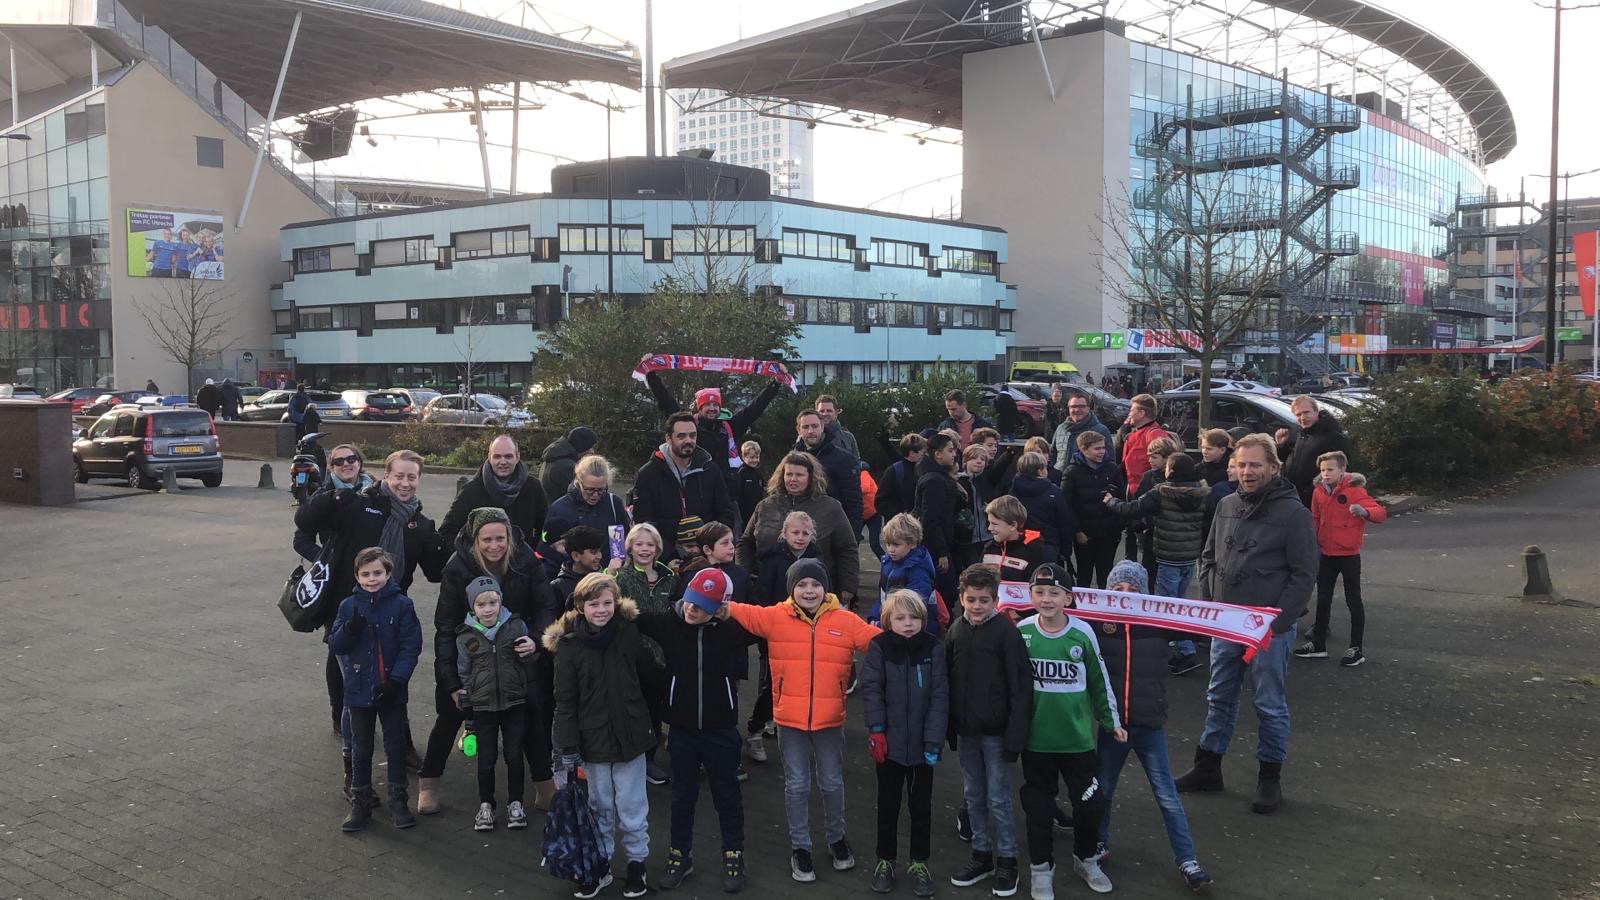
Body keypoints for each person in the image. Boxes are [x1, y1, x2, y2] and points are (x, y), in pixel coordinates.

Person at [1175, 434, 1318, 815]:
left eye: (1256, 465)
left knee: (1268, 703)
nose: (1248, 471)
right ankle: (1208, 767)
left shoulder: (1294, 514)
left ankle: (1269, 777)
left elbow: (1304, 575)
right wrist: (1211, 601)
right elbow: (1208, 556)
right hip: (1227, 621)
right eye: (1242, 464)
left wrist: (1277, 623)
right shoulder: (1225, 504)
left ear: (1274, 467)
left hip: (1266, 629)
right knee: (1218, 694)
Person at [723, 559, 880, 884]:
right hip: (789, 720)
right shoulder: (774, 617)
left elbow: (880, 642)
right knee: (796, 785)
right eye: (802, 585)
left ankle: (836, 838)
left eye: (815, 585)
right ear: (792, 589)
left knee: (832, 783)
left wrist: (911, 628)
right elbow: (735, 610)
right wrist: (698, 600)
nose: (809, 591)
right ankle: (801, 847)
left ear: (826, 588)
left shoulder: (845, 621)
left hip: (830, 720)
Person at [294, 450, 446, 765]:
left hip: (392, 608)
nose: (405, 483)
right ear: (386, 476)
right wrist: (332, 497)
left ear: (419, 479)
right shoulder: (359, 504)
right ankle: (342, 720)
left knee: (392, 673)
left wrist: (447, 544)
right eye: (399, 476)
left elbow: (435, 572)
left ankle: (402, 745)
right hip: (347, 601)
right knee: (343, 661)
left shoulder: (420, 523)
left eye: (411, 477)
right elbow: (305, 521)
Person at [422, 507, 560, 816]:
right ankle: (429, 782)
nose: (494, 546)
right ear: (475, 540)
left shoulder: (526, 560)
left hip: (517, 651)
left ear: (510, 537)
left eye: (500, 538)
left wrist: (537, 639)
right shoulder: (457, 567)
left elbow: (545, 605)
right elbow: (445, 625)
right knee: (448, 716)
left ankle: (545, 786)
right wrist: (451, 681)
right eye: (487, 539)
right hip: (470, 652)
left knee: (531, 720)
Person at [635, 568, 759, 893]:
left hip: (721, 729)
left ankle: (734, 854)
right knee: (682, 796)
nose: (692, 609)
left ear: (720, 607)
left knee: (727, 795)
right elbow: (624, 615)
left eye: (703, 606)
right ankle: (680, 854)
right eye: (691, 601)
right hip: (682, 730)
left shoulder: (732, 628)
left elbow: (773, 623)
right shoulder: (668, 622)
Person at [1094, 561, 1213, 890]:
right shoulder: (1098, 623)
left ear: (1145, 595)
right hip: (1112, 727)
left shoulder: (1159, 624)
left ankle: (1187, 859)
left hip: (1149, 726)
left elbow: (1201, 625)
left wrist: (1240, 622)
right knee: (1102, 790)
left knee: (1167, 796)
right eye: (1117, 590)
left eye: (1133, 591)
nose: (1125, 596)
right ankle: (1097, 843)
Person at [1014, 563, 1125, 898]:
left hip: (1077, 741)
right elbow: (1010, 686)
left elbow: (1098, 681)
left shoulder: (1082, 633)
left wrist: (1112, 721)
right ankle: (1041, 869)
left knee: (1089, 805)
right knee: (1039, 809)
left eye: (1054, 593)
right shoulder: (1022, 632)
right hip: (1036, 742)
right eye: (1039, 592)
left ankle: (1086, 859)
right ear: (1030, 595)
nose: (1046, 599)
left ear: (1069, 597)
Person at [546, 573, 657, 900]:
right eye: (594, 604)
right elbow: (564, 702)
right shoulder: (568, 648)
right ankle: (602, 863)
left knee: (633, 803)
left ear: (616, 602)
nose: (602, 610)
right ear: (580, 606)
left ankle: (637, 862)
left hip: (631, 734)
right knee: (600, 804)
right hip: (592, 739)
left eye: (608, 603)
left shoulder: (627, 633)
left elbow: (649, 670)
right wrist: (564, 747)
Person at [945, 564, 1030, 897]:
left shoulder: (1007, 634)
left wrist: (1015, 736)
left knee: (998, 799)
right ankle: (981, 855)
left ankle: (1007, 859)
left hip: (997, 733)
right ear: (962, 598)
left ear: (995, 599)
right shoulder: (955, 631)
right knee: (973, 795)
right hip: (967, 731)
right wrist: (951, 727)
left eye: (984, 600)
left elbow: (1021, 688)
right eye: (971, 599)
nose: (977, 606)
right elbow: (948, 681)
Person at [328, 547, 423, 832]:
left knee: (395, 746)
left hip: (391, 691)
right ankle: (361, 801)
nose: (372, 579)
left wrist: (397, 681)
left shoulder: (402, 605)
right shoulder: (348, 606)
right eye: (366, 574)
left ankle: (398, 801)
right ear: (357, 577)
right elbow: (335, 645)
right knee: (360, 747)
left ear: (388, 574)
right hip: (358, 690)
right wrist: (350, 630)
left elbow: (411, 645)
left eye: (377, 573)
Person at [862, 589, 950, 897]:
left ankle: (919, 862)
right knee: (887, 806)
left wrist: (933, 741)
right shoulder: (879, 647)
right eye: (901, 618)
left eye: (914, 618)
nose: (908, 624)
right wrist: (875, 730)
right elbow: (872, 690)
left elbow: (940, 697)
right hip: (889, 745)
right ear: (888, 620)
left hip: (922, 748)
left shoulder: (932, 648)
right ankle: (885, 860)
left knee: (920, 808)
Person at [1104, 453, 1211, 676]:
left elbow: (1132, 509)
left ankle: (1186, 650)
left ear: (1170, 471)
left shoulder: (1162, 492)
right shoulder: (1201, 493)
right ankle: (1183, 646)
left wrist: (1110, 501)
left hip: (1168, 556)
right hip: (1190, 556)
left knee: (1167, 607)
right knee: (1179, 603)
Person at [454, 574, 534, 832]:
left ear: (501, 602)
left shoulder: (517, 626)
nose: (488, 609)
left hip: (514, 702)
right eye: (481, 605)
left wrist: (530, 653)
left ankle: (516, 804)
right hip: (483, 705)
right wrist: (467, 705)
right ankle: (486, 805)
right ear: (472, 608)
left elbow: (528, 661)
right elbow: (464, 672)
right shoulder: (465, 636)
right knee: (486, 758)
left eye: (493, 603)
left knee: (514, 756)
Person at [1296, 451, 1387, 667]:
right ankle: (1318, 644)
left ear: (1342, 470)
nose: (1325, 474)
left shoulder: (1355, 490)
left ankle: (1356, 647)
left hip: (1348, 554)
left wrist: (1364, 511)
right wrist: (1313, 542)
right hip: (1326, 552)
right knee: (1323, 598)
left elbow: (1380, 512)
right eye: (1323, 470)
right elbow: (1315, 517)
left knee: (1353, 600)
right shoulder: (1319, 491)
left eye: (1330, 469)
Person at [738, 450, 860, 607]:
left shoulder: (831, 508)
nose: (793, 479)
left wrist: (848, 586)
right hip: (768, 594)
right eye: (789, 474)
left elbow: (847, 548)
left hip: (814, 594)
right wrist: (744, 575)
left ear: (810, 477)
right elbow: (745, 543)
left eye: (799, 475)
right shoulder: (765, 506)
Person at [743, 510, 819, 763]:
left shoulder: (817, 559)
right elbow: (762, 595)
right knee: (774, 682)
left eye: (805, 533)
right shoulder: (772, 560)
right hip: (778, 628)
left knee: (801, 682)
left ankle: (788, 725)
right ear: (784, 534)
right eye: (795, 532)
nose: (800, 537)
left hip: (807, 630)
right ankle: (755, 728)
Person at [644, 356, 786, 490]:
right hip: (694, 490)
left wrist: (775, 384)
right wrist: (651, 374)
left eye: (715, 405)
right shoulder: (688, 424)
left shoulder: (729, 427)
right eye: (707, 405)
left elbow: (754, 409)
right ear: (699, 408)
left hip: (725, 493)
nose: (712, 408)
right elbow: (666, 401)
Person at [615, 523, 676, 787]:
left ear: (658, 549)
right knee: (632, 707)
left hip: (664, 655)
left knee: (655, 707)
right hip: (633, 656)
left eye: (650, 544)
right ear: (629, 547)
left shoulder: (669, 578)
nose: (644, 549)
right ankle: (631, 757)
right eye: (639, 544)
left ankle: (649, 758)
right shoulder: (621, 578)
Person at [633, 412, 738, 561]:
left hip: (707, 555)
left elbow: (725, 512)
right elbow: (644, 521)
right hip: (665, 558)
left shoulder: (711, 470)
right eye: (681, 436)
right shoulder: (648, 474)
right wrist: (669, 555)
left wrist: (708, 547)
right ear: (668, 438)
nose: (688, 440)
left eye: (692, 435)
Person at [440, 435, 548, 549]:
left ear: (517, 457)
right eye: (497, 456)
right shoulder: (471, 491)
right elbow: (448, 532)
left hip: (522, 563)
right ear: (489, 457)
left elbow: (545, 529)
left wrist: (534, 553)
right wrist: (472, 556)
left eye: (508, 456)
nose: (503, 462)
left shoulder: (534, 488)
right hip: (480, 564)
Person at [542, 455, 630, 575]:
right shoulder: (560, 508)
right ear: (578, 482)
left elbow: (621, 540)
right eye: (589, 489)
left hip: (609, 577)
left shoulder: (614, 504)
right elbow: (549, 550)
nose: (595, 495)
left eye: (601, 490)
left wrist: (618, 562)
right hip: (573, 579)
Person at [1061, 431, 1126, 588]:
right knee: (1084, 575)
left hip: (1109, 533)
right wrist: (1077, 531)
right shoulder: (1072, 472)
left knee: (1106, 575)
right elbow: (1066, 505)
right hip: (1085, 535)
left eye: (1103, 448)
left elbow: (1122, 498)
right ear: (1083, 449)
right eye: (1097, 449)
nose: (1102, 451)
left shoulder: (1112, 469)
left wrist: (1117, 525)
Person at [914, 433, 965, 611]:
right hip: (936, 546)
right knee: (945, 591)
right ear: (937, 454)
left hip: (942, 542)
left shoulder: (937, 477)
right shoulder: (935, 480)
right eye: (950, 451)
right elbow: (931, 518)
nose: (954, 455)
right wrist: (941, 551)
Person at [795, 408, 865, 539]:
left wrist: (852, 537)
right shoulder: (793, 459)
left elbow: (853, 503)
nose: (810, 431)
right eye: (806, 427)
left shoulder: (844, 459)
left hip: (832, 533)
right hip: (800, 534)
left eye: (815, 426)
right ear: (799, 430)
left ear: (822, 427)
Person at [1279, 396, 1352, 507]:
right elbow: (1294, 460)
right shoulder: (1303, 434)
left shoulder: (1332, 436)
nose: (1302, 418)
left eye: (1306, 412)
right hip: (1296, 498)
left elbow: (1342, 469)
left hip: (1316, 500)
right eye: (1298, 415)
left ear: (1316, 411)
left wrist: (1312, 491)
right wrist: (1282, 445)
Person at [872, 513, 939, 631]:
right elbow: (882, 596)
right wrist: (874, 617)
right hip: (893, 622)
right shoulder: (888, 563)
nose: (890, 549)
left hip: (914, 628)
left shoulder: (918, 570)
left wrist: (884, 623)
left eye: (896, 545)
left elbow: (914, 607)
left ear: (912, 544)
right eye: (888, 544)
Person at [1008, 452, 1075, 567]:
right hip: (1048, 544)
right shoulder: (1053, 491)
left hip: (1020, 543)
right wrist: (1066, 550)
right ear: (1040, 470)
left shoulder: (1013, 491)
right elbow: (1063, 522)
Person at [981, 495, 1046, 584]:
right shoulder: (989, 548)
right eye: (989, 523)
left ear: (1013, 525)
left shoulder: (1033, 551)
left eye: (994, 524)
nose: (989, 528)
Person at [1049, 395, 1112, 477]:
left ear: (1088, 408)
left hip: (1086, 481)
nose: (1077, 410)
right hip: (1060, 479)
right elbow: (1053, 454)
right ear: (1068, 408)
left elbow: (1109, 460)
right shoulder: (1061, 428)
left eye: (1081, 406)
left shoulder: (1101, 430)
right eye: (1073, 406)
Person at [956, 445, 995, 572]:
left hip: (987, 536)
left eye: (983, 459)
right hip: (967, 538)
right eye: (974, 458)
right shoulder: (958, 481)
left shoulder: (987, 480)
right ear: (965, 461)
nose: (979, 462)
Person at [875, 433, 926, 525]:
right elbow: (880, 501)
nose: (925, 455)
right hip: (900, 527)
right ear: (912, 453)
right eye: (923, 452)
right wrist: (901, 516)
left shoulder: (925, 469)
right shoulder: (894, 471)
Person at [540, 426, 600, 503]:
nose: (592, 452)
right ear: (582, 447)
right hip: (561, 513)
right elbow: (582, 498)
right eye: (590, 447)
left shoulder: (554, 457)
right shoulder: (567, 467)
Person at [553, 526, 609, 604]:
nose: (599, 556)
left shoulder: (607, 580)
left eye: (599, 551)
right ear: (576, 556)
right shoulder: (559, 587)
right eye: (593, 552)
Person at [814, 394, 860, 460]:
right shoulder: (809, 436)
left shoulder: (848, 437)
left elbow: (857, 463)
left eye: (829, 411)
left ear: (836, 413)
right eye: (821, 411)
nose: (825, 414)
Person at [734, 441, 766, 531]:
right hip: (743, 514)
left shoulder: (758, 474)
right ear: (744, 457)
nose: (755, 460)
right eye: (752, 457)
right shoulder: (741, 473)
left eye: (757, 457)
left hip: (756, 512)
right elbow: (738, 495)